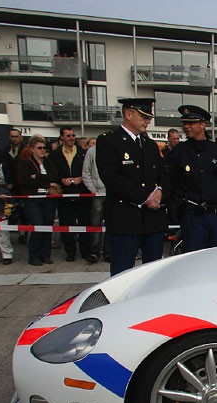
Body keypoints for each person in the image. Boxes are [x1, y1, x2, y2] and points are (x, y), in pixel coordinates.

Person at [96, 98, 169, 275]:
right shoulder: (109, 141)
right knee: (123, 273)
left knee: (153, 272)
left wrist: (160, 192)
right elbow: (112, 178)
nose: (148, 120)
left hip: (151, 219)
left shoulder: (150, 145)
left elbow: (163, 173)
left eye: (149, 116)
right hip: (125, 218)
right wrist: (145, 198)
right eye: (144, 116)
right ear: (128, 114)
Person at [169, 104, 217, 253]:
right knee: (194, 260)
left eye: (191, 123)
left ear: (202, 124)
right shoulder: (179, 152)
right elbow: (172, 182)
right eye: (185, 123)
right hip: (192, 216)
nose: (186, 127)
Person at [17, 134, 59, 266]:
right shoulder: (25, 163)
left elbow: (54, 176)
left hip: (48, 199)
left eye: (44, 147)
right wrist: (47, 183)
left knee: (47, 226)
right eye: (39, 147)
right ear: (32, 149)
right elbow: (26, 180)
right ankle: (34, 256)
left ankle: (45, 255)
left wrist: (38, 177)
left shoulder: (49, 162)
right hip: (33, 199)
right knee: (38, 226)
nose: (42, 150)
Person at [49, 127, 90, 262]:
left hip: (82, 193)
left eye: (73, 135)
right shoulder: (55, 154)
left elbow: (88, 170)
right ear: (62, 138)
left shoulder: (83, 153)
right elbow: (52, 172)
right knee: (66, 224)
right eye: (68, 136)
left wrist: (81, 178)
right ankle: (70, 252)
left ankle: (85, 251)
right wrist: (61, 179)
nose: (71, 138)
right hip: (65, 195)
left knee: (85, 223)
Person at [81, 143, 106, 263]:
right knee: (95, 224)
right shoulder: (92, 151)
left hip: (113, 193)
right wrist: (93, 190)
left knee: (112, 225)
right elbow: (86, 172)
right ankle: (94, 252)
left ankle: (109, 252)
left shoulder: (115, 149)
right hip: (98, 193)